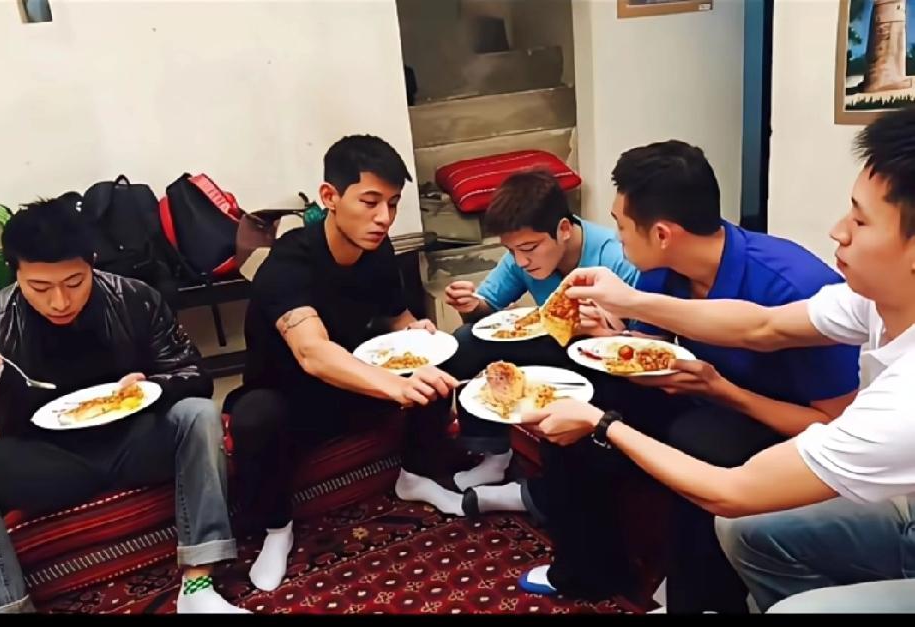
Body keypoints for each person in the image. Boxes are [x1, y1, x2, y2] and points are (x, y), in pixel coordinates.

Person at [524, 109, 915, 613]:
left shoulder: (804, 290)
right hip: (724, 408)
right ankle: (588, 569)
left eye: (860, 221)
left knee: (704, 445)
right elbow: (762, 327)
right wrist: (626, 307)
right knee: (589, 390)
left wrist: (604, 424)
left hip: (785, 437)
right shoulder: (869, 300)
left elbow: (737, 488)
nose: (838, 231)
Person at [227, 135, 461, 593]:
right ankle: (277, 529)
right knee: (255, 415)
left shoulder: (379, 249)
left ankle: (415, 476)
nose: (384, 218)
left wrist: (416, 333)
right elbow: (312, 353)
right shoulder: (289, 261)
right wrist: (395, 386)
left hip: (351, 386)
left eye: (392, 203)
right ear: (330, 197)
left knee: (435, 369)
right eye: (370, 202)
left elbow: (396, 315)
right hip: (291, 396)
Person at [0, 199, 246, 614]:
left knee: (198, 414)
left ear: (92, 261)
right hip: (49, 461)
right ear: (14, 272)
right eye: (40, 288)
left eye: (74, 282)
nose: (60, 301)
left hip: (133, 444)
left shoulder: (134, 298)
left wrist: (154, 386)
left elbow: (195, 375)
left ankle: (198, 582)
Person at [440, 170, 638, 505]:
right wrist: (471, 306)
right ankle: (494, 455)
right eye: (511, 250)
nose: (521, 261)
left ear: (564, 229)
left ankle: (540, 495)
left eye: (529, 248)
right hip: (554, 344)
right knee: (466, 340)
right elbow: (488, 313)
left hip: (605, 359)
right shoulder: (522, 256)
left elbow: (641, 348)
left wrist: (606, 331)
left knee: (594, 399)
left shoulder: (615, 258)